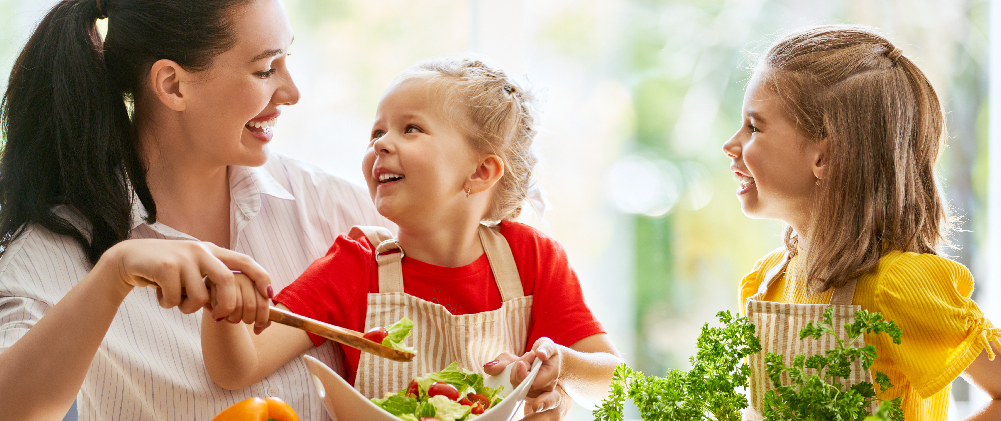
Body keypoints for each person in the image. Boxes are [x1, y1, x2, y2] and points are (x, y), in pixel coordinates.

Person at [0, 0, 388, 419]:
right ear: (172, 85)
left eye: (285, 59)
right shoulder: (51, 253)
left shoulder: (332, 208)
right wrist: (113, 274)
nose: (292, 93)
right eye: (264, 70)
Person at [201, 57, 623, 420]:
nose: (382, 144)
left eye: (411, 129)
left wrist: (560, 365)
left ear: (480, 172)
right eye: (377, 132)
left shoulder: (531, 257)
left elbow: (613, 381)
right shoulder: (356, 264)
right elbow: (238, 368)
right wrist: (219, 299)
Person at [722, 25, 1001, 420]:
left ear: (825, 154)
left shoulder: (898, 285)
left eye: (754, 127)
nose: (731, 145)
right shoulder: (768, 280)